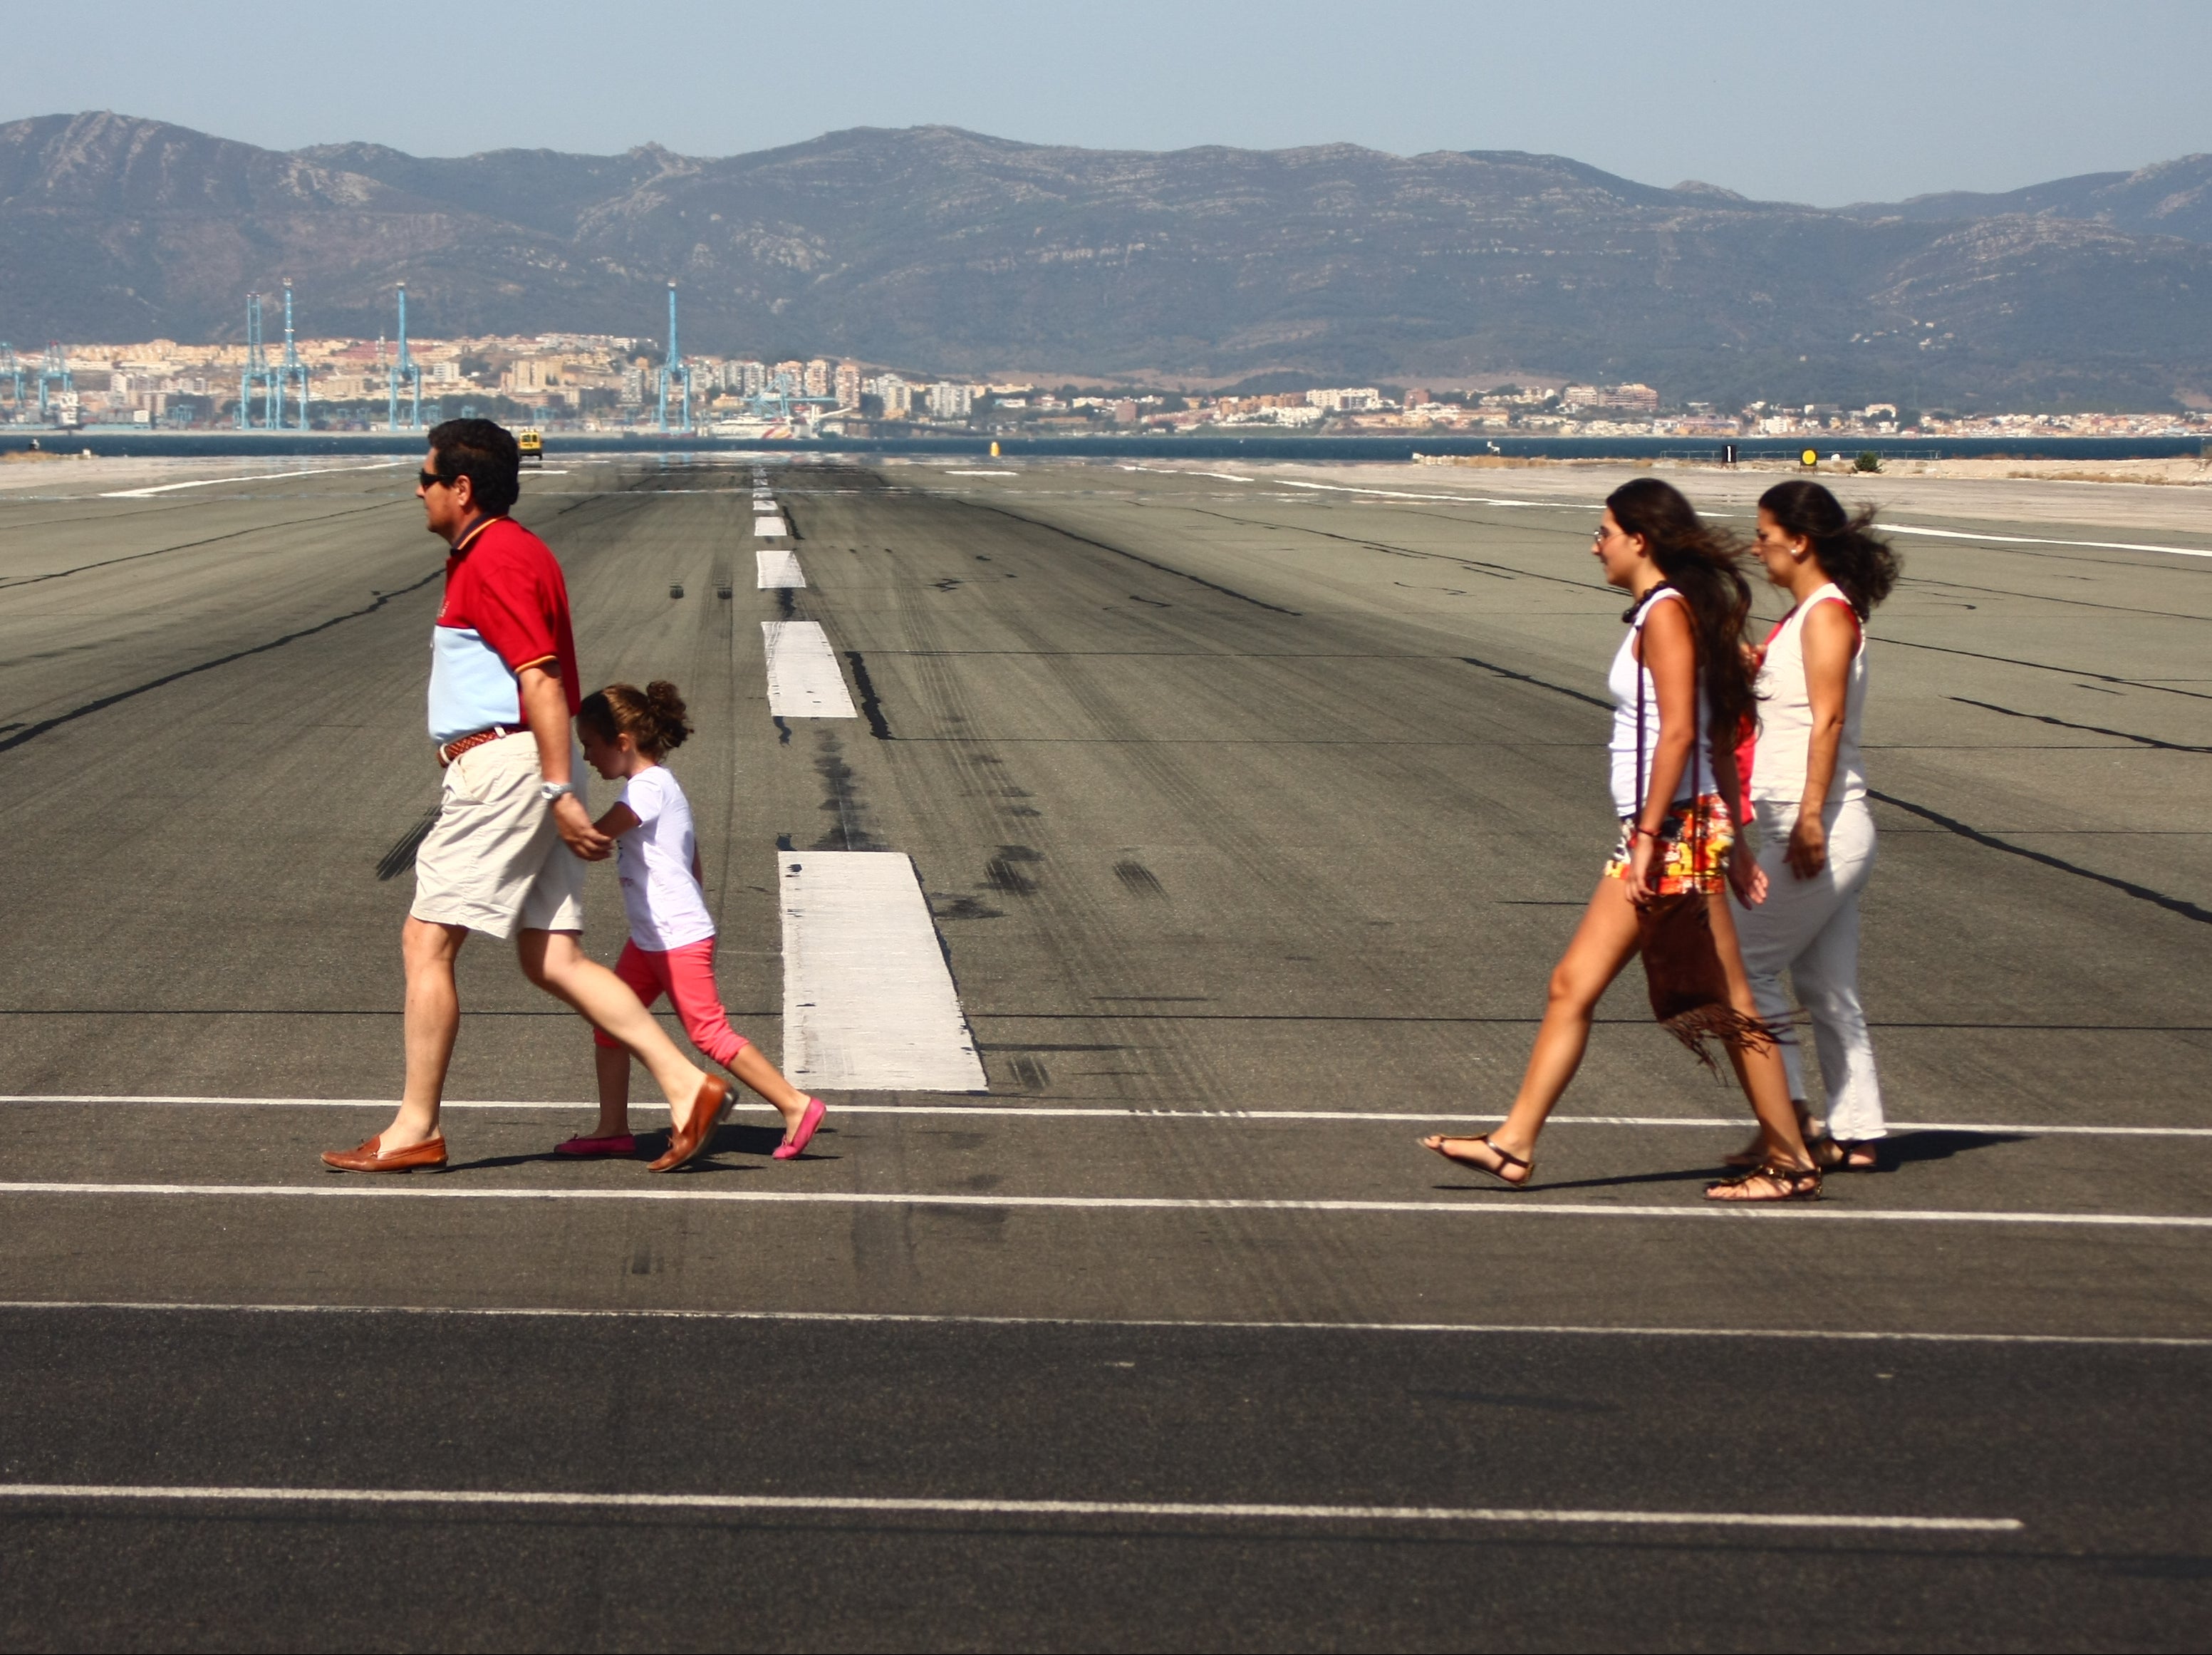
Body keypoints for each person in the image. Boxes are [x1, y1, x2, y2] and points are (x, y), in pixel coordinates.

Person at [321, 419, 731, 1176]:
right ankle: (685, 1085)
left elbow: (539, 679)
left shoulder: (496, 558)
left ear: (462, 488)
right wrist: (557, 784)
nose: (419, 489)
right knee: (552, 958)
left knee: (427, 941)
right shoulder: (514, 551)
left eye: (427, 477)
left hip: (502, 769)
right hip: (525, 767)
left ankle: (416, 1127)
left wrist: (553, 788)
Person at [1421, 477, 1822, 1202]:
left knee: (1731, 1001)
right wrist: (1710, 832)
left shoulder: (1668, 614)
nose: (1595, 544)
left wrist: (1654, 837)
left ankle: (1790, 1158)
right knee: (1573, 984)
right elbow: (1718, 723)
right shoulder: (1662, 613)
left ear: (1640, 539)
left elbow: (1678, 731)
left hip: (1670, 832)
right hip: (1668, 829)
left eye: (1604, 531)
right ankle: (1513, 1144)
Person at [561, 679, 826, 1160]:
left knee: (709, 1033)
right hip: (651, 937)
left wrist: (554, 822)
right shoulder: (660, 785)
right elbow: (691, 860)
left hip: (674, 937)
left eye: (591, 746)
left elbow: (597, 838)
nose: (587, 756)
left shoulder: (646, 788)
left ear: (622, 743)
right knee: (609, 1022)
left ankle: (796, 1104)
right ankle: (612, 1127)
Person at [1724, 480, 1901, 1173]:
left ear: (1799, 541)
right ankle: (1857, 1131)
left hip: (1818, 824)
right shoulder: (1802, 618)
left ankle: (1788, 1119)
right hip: (1812, 821)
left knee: (1745, 965)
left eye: (1764, 534)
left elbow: (1827, 720)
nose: (1756, 546)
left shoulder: (1826, 615)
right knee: (1829, 990)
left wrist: (1808, 815)